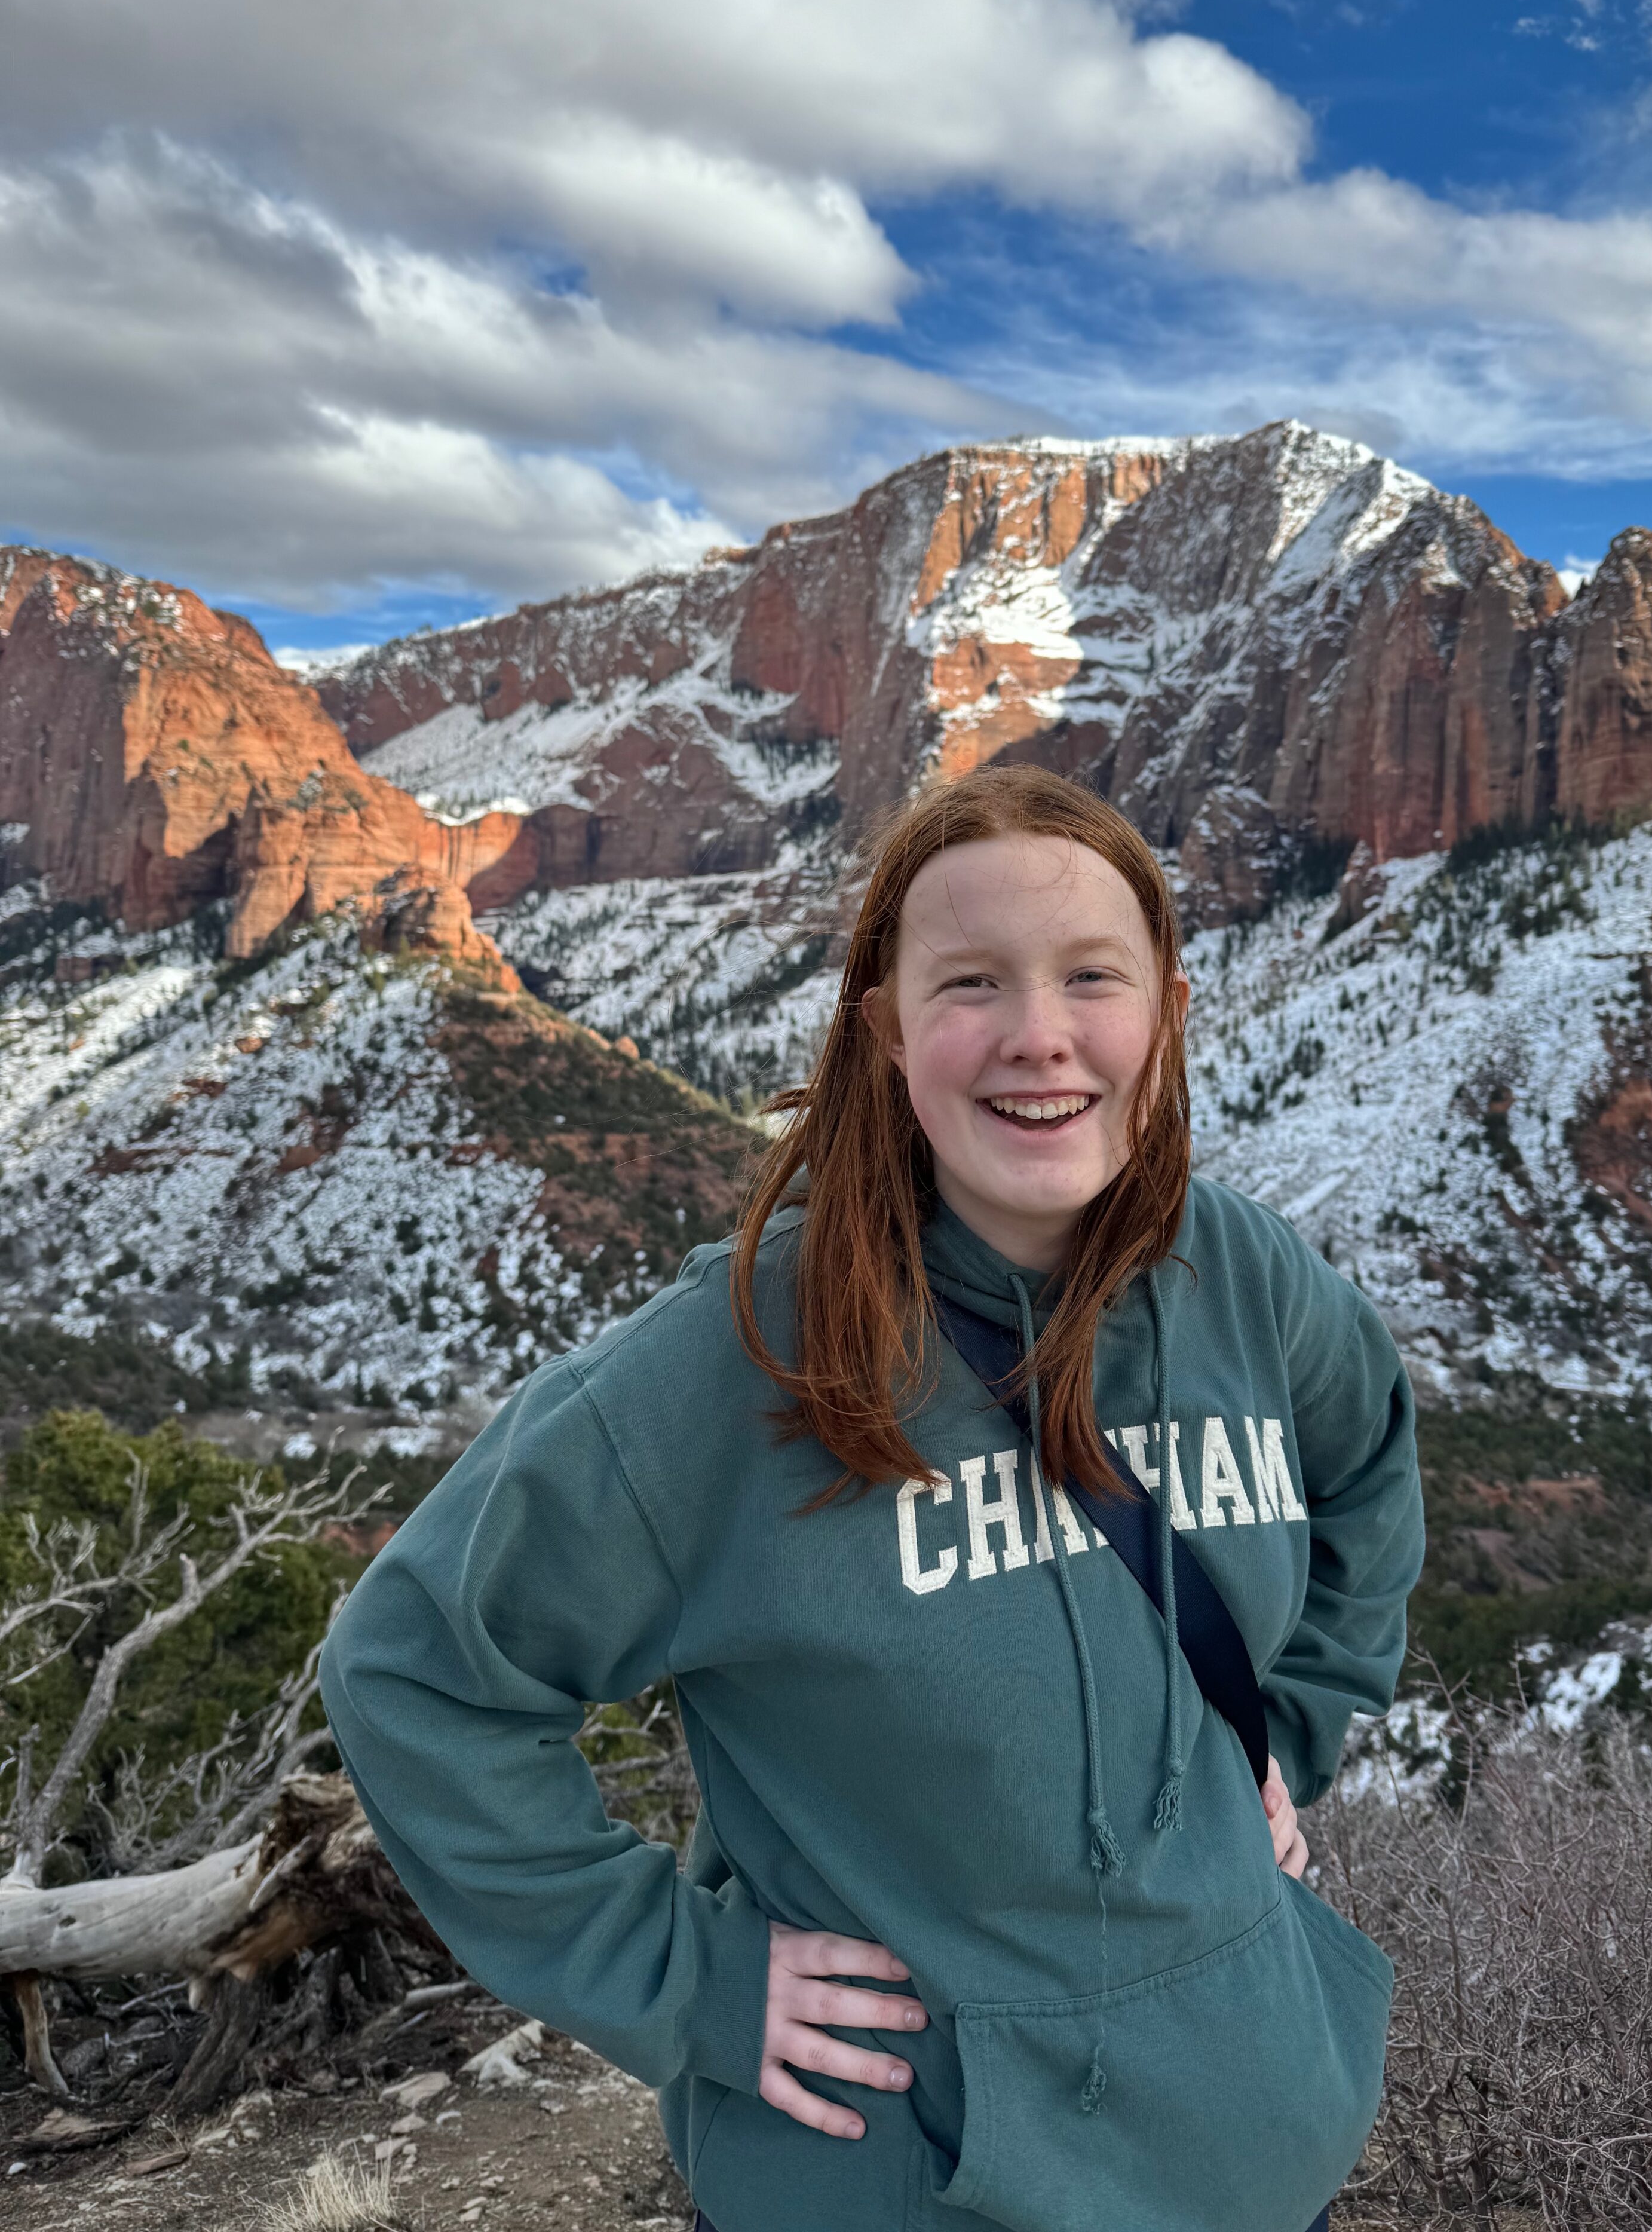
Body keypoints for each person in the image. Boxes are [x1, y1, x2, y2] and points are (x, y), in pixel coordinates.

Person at [321, 763, 1424, 2232]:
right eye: (971, 982)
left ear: (1162, 1007)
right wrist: (681, 1974)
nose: (1041, 1037)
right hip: (904, 2177)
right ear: (887, 1027)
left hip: (1252, 2152)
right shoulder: (734, 1361)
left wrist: (1287, 1728)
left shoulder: (1240, 1272)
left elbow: (1366, 1463)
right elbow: (415, 1670)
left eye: (1091, 976)